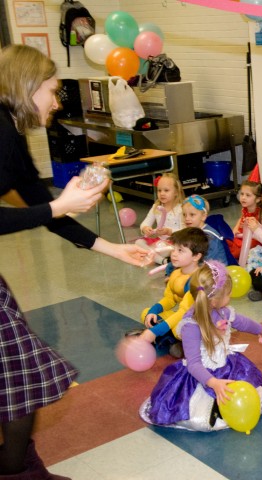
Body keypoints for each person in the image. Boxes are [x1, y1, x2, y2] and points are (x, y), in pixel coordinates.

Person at [0, 44, 149, 478]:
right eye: (52, 91)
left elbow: (39, 203)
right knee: (22, 378)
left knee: (15, 380)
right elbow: (47, 210)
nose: (56, 102)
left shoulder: (11, 133)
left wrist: (113, 248)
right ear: (27, 86)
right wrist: (58, 207)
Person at [139, 261, 262, 431]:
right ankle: (214, 407)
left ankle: (222, 406)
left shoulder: (223, 311)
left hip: (227, 367)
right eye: (229, 294)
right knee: (201, 420)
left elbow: (242, 322)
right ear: (215, 301)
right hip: (202, 376)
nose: (231, 296)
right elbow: (194, 364)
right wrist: (214, 383)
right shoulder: (191, 325)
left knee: (260, 399)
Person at [137, 228, 208, 358]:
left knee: (180, 330)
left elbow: (183, 312)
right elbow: (169, 300)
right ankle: (166, 337)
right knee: (147, 314)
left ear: (196, 256)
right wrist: (153, 311)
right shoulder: (176, 273)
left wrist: (154, 331)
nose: (174, 254)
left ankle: (171, 339)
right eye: (173, 249)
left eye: (180, 251)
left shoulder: (197, 280)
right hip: (182, 316)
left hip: (198, 322)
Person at [136, 173, 185, 264]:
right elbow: (145, 223)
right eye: (159, 190)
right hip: (159, 241)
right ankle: (163, 261)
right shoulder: (156, 207)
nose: (162, 193)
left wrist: (168, 231)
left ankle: (153, 256)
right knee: (138, 243)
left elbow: (185, 231)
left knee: (166, 249)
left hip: (175, 243)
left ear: (176, 192)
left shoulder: (181, 209)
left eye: (166, 190)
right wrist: (145, 228)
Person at [181, 194, 231, 266]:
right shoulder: (192, 231)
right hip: (200, 265)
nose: (187, 218)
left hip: (214, 269)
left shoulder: (209, 236)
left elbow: (208, 262)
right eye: (184, 215)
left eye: (192, 215)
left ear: (203, 216)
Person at [227, 180, 262, 260]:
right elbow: (241, 219)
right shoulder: (245, 208)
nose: (243, 197)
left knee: (237, 251)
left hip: (253, 240)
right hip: (241, 236)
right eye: (242, 194)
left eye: (248, 195)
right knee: (226, 241)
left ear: (258, 199)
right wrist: (235, 229)